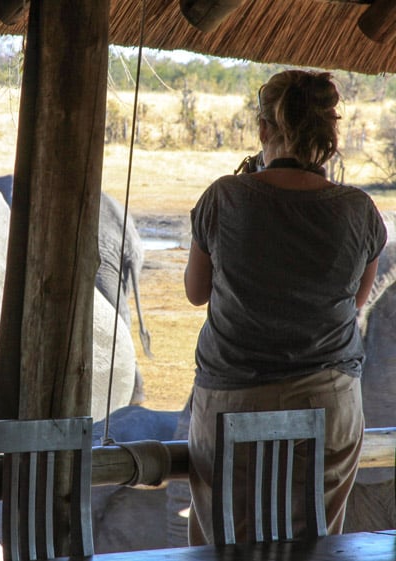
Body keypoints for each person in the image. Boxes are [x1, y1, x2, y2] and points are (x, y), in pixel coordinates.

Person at [183, 69, 387, 545]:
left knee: (223, 544)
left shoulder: (224, 197)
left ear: (263, 131)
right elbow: (354, 303)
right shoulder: (359, 211)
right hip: (329, 404)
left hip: (232, 402)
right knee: (314, 544)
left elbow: (196, 292)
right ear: (330, 137)